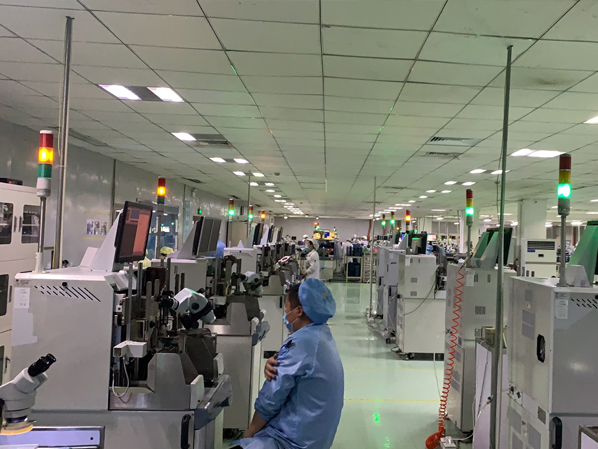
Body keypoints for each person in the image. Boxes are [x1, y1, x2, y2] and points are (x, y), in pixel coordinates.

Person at [232, 279, 344, 449]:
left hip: (291, 441)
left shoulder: (301, 343)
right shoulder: (321, 335)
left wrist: (249, 434)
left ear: (298, 311)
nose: (285, 313)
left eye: (286, 308)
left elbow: (270, 399)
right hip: (313, 438)